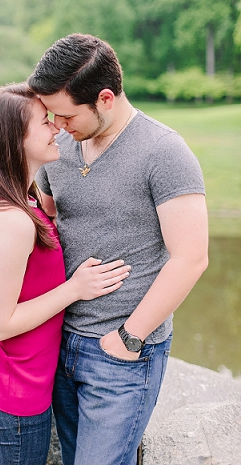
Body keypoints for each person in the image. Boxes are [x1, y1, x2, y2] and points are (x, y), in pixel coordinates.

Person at [28, 33, 208, 465]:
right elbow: (45, 223)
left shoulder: (164, 151)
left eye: (66, 115)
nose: (57, 124)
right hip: (59, 342)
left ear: (104, 98)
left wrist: (129, 337)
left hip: (121, 353)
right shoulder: (61, 146)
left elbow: (192, 258)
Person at [0, 83, 130, 465]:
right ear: (13, 141)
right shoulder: (13, 220)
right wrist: (75, 289)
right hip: (14, 393)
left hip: (7, 381)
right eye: (44, 122)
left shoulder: (21, 199)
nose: (56, 128)